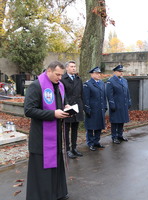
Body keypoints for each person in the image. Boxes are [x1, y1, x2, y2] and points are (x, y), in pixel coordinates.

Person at [24, 61, 69, 200]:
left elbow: (62, 102)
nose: (60, 78)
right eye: (57, 74)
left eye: (61, 75)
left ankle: (57, 193)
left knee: (56, 167)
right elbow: (29, 110)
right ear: (49, 71)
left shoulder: (60, 86)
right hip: (41, 137)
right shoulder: (36, 86)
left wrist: (66, 107)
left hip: (56, 136)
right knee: (42, 170)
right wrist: (52, 114)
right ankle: (42, 196)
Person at [60, 61, 84, 159]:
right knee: (66, 130)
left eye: (75, 66)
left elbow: (81, 93)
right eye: (71, 66)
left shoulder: (78, 79)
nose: (74, 68)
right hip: (67, 107)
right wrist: (65, 104)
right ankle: (67, 149)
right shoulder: (62, 79)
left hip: (77, 107)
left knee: (75, 129)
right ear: (67, 68)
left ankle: (74, 148)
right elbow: (62, 93)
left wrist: (82, 105)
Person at [83, 66, 107, 151]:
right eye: (97, 73)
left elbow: (103, 96)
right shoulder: (88, 84)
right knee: (90, 127)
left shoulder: (101, 83)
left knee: (99, 126)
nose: (98, 75)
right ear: (92, 74)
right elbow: (86, 98)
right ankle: (90, 143)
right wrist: (87, 109)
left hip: (100, 109)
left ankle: (96, 142)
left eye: (99, 73)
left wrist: (105, 106)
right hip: (92, 109)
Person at [106, 65, 132, 144]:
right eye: (119, 71)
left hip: (123, 104)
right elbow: (109, 94)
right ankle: (114, 137)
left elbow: (127, 92)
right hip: (116, 104)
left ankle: (120, 135)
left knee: (122, 120)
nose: (121, 73)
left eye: (121, 71)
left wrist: (129, 101)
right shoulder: (110, 81)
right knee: (115, 121)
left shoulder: (124, 80)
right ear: (115, 72)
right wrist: (112, 104)